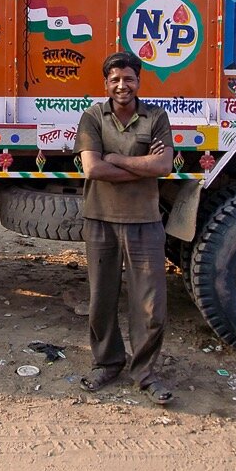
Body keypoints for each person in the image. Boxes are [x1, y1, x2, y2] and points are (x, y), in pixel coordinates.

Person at [72, 50, 175, 404]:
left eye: (128, 78)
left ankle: (145, 373)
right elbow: (93, 169)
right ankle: (107, 362)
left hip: (145, 222)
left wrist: (115, 158)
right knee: (102, 298)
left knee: (150, 304)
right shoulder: (91, 118)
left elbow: (163, 165)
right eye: (115, 79)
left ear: (138, 81)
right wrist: (139, 164)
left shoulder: (156, 117)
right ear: (106, 83)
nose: (122, 85)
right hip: (100, 219)